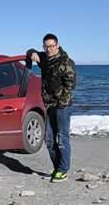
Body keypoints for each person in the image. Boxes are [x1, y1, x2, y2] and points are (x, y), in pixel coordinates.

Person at [26, 33, 76, 183]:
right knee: (48, 139)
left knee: (62, 138)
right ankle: (57, 168)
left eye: (52, 46)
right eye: (46, 46)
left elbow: (70, 85)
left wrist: (62, 103)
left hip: (62, 106)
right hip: (48, 105)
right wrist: (32, 53)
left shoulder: (66, 62)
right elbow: (29, 52)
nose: (49, 49)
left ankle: (63, 170)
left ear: (57, 46)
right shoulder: (44, 59)